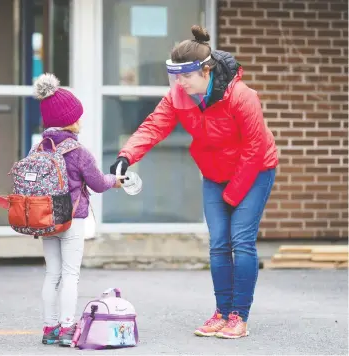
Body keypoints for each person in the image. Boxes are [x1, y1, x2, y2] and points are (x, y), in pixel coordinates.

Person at [109, 25, 278, 339]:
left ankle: (239, 316)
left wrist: (232, 195)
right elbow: (153, 127)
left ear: (205, 70)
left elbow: (255, 149)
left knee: (240, 241)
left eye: (184, 76)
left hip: (254, 171)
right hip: (215, 172)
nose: (179, 83)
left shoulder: (241, 97)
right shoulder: (179, 96)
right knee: (217, 245)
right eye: (175, 76)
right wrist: (126, 156)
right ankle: (221, 313)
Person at [33, 73, 124, 346]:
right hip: (72, 219)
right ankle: (67, 328)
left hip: (47, 218)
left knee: (52, 274)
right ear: (69, 120)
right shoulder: (78, 151)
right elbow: (97, 183)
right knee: (71, 274)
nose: (80, 120)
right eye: (77, 116)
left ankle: (49, 328)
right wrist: (114, 181)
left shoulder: (39, 148)